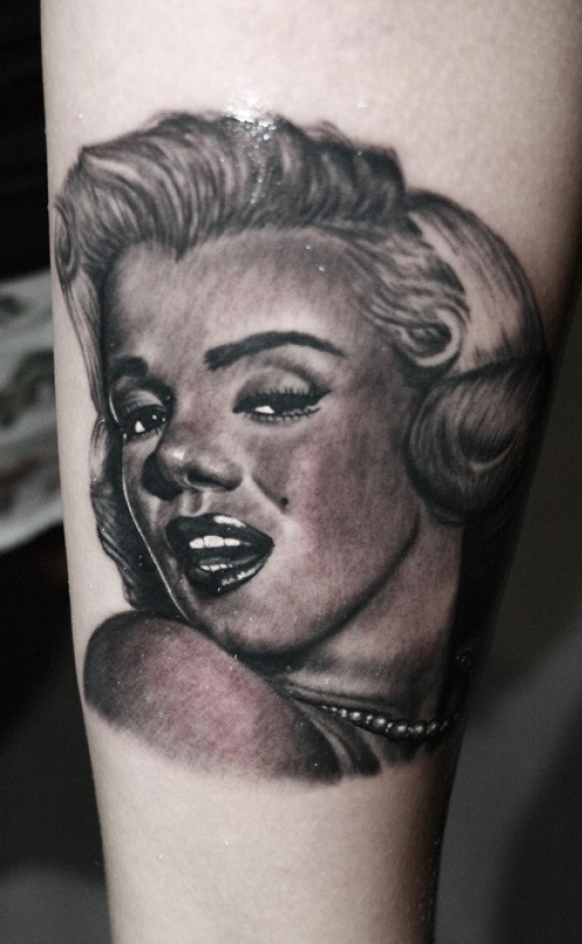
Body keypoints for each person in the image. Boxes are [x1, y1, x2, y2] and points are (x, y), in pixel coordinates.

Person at [53, 112, 548, 779]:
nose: (172, 454)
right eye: (141, 416)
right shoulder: (171, 681)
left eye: (274, 399)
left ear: (452, 416)